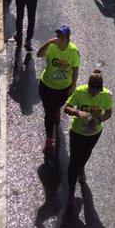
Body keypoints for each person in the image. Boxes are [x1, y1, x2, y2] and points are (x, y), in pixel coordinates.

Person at [63, 68, 113, 207]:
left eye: (97, 91)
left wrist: (99, 119)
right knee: (73, 161)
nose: (95, 93)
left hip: (94, 133)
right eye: (92, 91)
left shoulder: (105, 95)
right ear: (88, 86)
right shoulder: (80, 92)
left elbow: (109, 112)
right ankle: (71, 192)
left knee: (86, 154)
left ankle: (82, 167)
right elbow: (66, 108)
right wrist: (77, 112)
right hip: (77, 132)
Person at [37, 24, 80, 154]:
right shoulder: (52, 47)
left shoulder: (73, 51)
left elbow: (75, 69)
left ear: (67, 38)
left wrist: (73, 86)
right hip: (47, 85)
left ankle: (56, 110)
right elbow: (39, 54)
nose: (58, 38)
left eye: (62, 36)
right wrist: (48, 42)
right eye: (58, 36)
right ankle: (49, 139)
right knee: (48, 113)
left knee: (56, 107)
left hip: (62, 88)